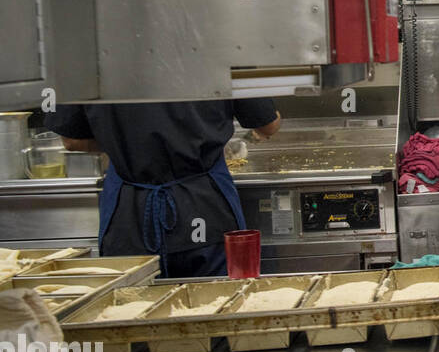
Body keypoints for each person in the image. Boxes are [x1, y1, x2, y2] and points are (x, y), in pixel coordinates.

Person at [46, 100, 281, 278]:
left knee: (132, 314)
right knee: (215, 309)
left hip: (129, 216)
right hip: (205, 206)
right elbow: (268, 125)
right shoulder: (216, 41)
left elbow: (72, 140)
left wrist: (134, 147)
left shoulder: (89, 49)